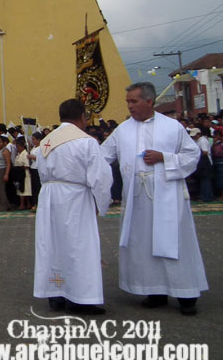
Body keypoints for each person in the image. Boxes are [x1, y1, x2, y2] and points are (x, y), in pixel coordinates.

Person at [100, 82, 208, 316]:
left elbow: (192, 155)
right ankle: (154, 290)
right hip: (137, 198)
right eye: (128, 102)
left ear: (149, 101)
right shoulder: (123, 130)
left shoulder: (172, 127)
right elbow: (101, 156)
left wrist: (164, 158)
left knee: (175, 241)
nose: (129, 106)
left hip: (167, 195)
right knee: (144, 244)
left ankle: (186, 294)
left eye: (134, 101)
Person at [34, 99, 112, 315]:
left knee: (52, 245)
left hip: (49, 197)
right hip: (75, 197)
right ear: (82, 117)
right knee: (79, 246)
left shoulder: (46, 142)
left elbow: (40, 172)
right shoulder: (86, 141)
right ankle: (80, 299)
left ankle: (55, 294)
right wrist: (101, 202)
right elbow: (101, 177)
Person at [13, 137, 32, 210]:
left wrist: (20, 168)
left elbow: (27, 165)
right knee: (21, 190)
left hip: (24, 174)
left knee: (25, 190)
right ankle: (26, 204)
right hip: (19, 174)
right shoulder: (18, 154)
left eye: (18, 147)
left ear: (21, 146)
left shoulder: (25, 154)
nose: (17, 148)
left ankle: (23, 204)